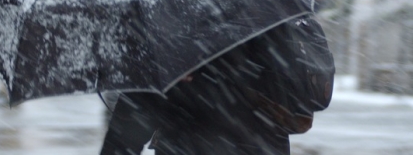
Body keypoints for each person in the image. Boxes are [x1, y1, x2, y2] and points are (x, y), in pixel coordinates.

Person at [101, 16, 334, 155]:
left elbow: (135, 118)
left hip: (193, 144)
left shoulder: (178, 16)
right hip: (263, 146)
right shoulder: (272, 2)